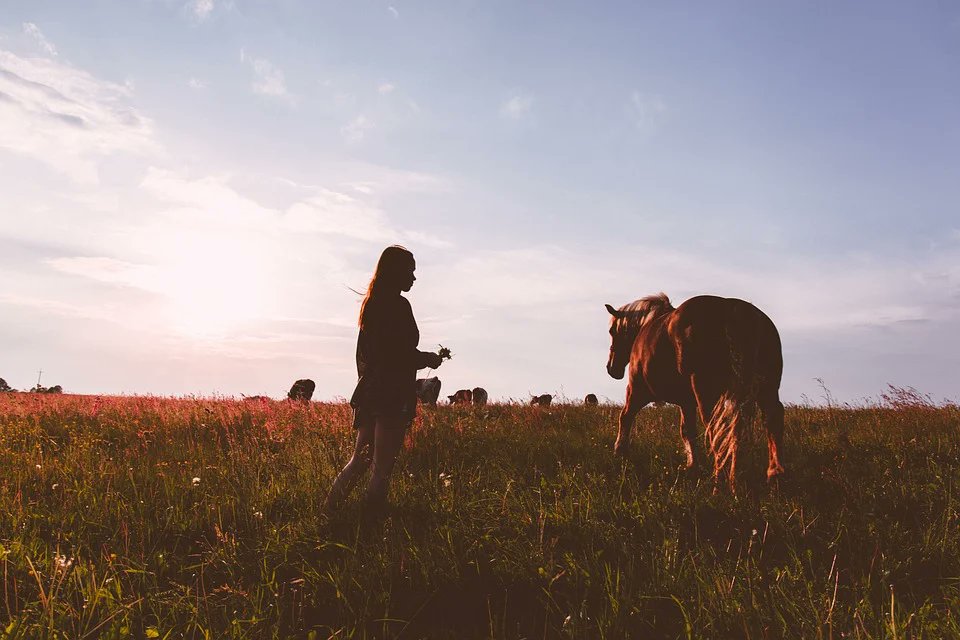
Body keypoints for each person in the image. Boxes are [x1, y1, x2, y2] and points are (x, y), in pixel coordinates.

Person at [325, 245, 445, 511]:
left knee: (360, 460)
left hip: (370, 392)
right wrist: (427, 359)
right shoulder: (399, 305)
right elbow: (397, 355)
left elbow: (374, 354)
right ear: (396, 272)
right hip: (392, 394)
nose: (414, 278)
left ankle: (329, 512)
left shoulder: (372, 304)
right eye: (410, 272)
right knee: (382, 468)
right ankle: (371, 525)